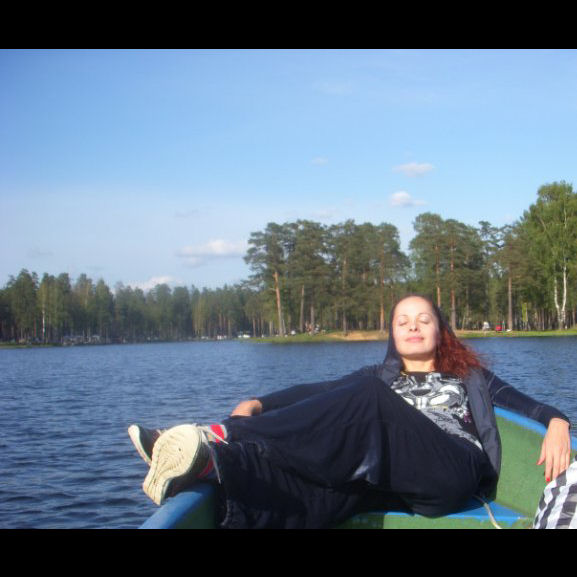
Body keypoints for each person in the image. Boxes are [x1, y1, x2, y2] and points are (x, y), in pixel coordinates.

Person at [128, 295, 572, 529]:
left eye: (424, 319)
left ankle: (220, 434)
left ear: (441, 330)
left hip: (451, 472)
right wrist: (261, 403)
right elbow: (318, 393)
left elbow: (525, 403)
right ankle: (209, 462)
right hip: (393, 483)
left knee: (367, 397)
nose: (413, 326)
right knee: (312, 493)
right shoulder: (378, 378)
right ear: (393, 334)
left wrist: (557, 420)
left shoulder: (468, 376)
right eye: (403, 321)